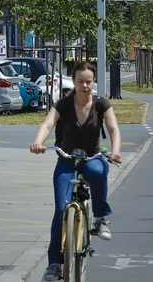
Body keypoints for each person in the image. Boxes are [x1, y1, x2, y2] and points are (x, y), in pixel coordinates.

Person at [29, 61, 123, 281]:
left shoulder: (102, 104)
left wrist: (116, 151)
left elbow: (113, 129)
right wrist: (37, 142)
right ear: (74, 81)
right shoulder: (63, 104)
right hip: (66, 159)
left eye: (89, 81)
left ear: (94, 81)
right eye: (80, 81)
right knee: (60, 210)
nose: (85, 85)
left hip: (92, 156)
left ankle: (100, 218)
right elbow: (47, 124)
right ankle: (54, 265)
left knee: (97, 171)